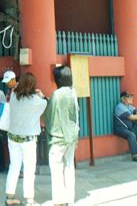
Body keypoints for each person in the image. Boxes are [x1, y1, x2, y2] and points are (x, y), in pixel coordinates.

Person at [5, 73, 47, 206]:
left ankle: (10, 196)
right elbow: (46, 103)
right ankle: (29, 199)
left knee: (14, 166)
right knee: (29, 169)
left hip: (12, 137)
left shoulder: (13, 97)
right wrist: (41, 95)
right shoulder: (35, 100)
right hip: (28, 140)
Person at [44, 65, 80, 206]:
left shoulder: (57, 94)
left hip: (59, 137)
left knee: (56, 168)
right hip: (72, 135)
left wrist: (45, 101)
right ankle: (70, 198)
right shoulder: (73, 92)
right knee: (69, 166)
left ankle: (59, 200)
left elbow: (50, 114)